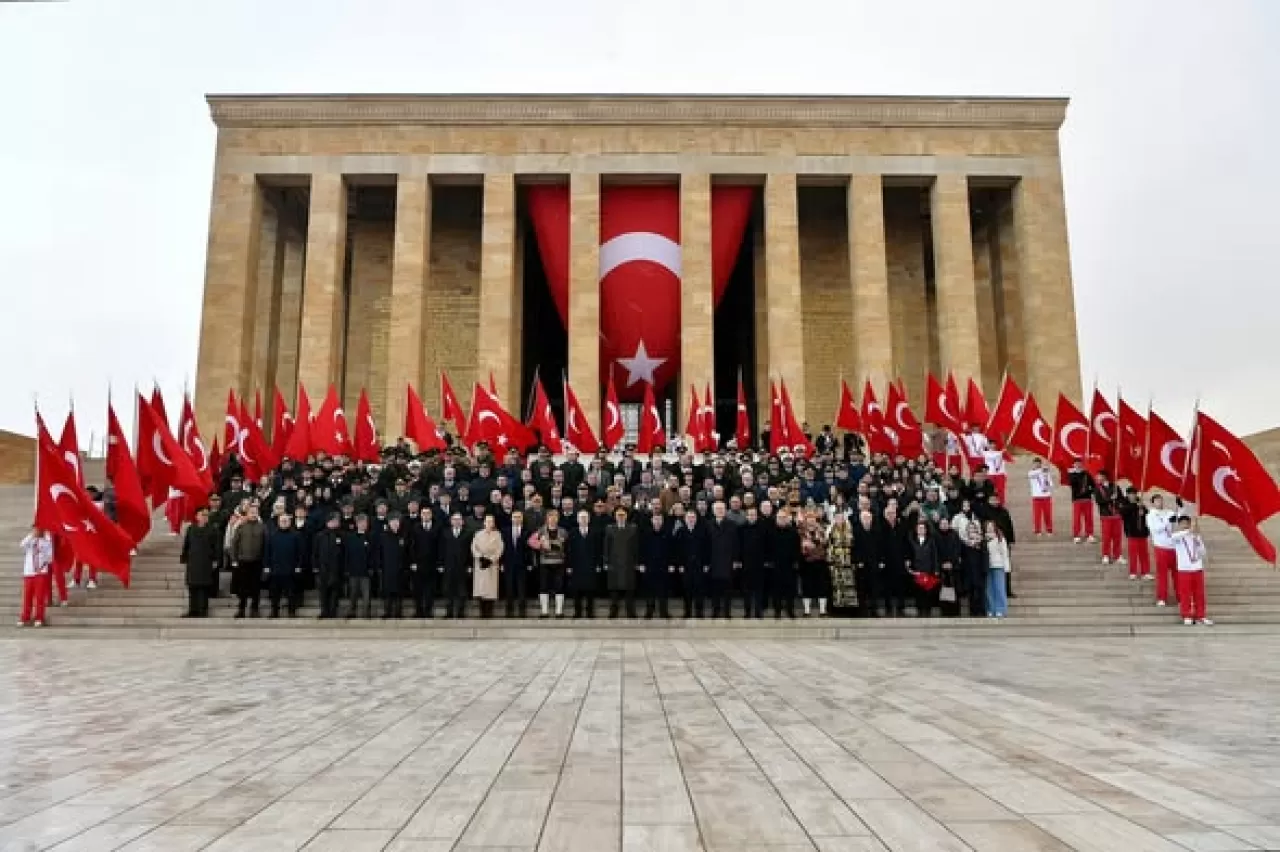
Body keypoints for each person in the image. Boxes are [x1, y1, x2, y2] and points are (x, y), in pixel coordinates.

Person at [179, 508, 219, 618]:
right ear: (197, 516)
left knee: (203, 588)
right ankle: (193, 610)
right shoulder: (191, 529)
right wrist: (184, 557)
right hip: (193, 562)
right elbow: (186, 544)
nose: (205, 517)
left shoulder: (212, 530)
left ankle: (202, 611)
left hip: (206, 562)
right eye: (202, 515)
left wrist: (216, 560)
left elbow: (216, 546)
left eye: (206, 515)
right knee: (192, 587)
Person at [1172, 516, 1212, 626]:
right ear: (1179, 525)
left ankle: (1201, 615)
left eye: (1187, 523)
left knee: (1199, 594)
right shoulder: (1177, 537)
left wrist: (1197, 539)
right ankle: (1187, 615)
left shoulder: (1195, 536)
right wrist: (1188, 531)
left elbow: (1203, 553)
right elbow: (1173, 537)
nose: (1185, 525)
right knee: (1185, 593)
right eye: (1183, 523)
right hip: (1184, 569)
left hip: (1197, 568)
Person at [229, 503, 266, 618]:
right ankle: (241, 609)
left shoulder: (263, 527)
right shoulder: (241, 526)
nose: (253, 514)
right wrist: (234, 559)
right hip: (243, 561)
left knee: (256, 587)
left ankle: (255, 609)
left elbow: (266, 544)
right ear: (247, 514)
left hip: (257, 561)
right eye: (251, 512)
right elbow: (234, 543)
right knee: (242, 587)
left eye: (255, 512)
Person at [603, 506, 640, 618]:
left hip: (629, 562)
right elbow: (606, 546)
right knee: (614, 588)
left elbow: (636, 546)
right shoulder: (609, 528)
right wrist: (606, 561)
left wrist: (637, 562)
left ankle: (631, 611)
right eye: (618, 515)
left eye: (622, 515)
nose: (620, 517)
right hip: (614, 562)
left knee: (629, 588)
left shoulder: (633, 528)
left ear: (626, 516)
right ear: (615, 516)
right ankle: (613, 611)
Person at [263, 512, 302, 618]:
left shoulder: (296, 535)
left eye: (286, 521)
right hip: (275, 569)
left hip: (290, 569)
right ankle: (274, 612)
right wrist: (266, 566)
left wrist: (298, 565)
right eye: (282, 521)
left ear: (290, 522)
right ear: (278, 522)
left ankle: (291, 612)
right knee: (275, 594)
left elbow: (299, 552)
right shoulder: (272, 535)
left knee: (291, 593)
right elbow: (267, 552)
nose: (284, 522)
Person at [707, 501, 741, 618]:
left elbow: (737, 544)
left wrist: (736, 560)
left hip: (728, 561)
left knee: (728, 589)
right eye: (717, 509)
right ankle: (715, 611)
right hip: (714, 561)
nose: (720, 511)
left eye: (722, 509)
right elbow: (705, 545)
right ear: (713, 511)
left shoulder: (732, 524)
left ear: (725, 510)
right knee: (715, 588)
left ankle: (727, 612)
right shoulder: (708, 524)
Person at [567, 509, 601, 618]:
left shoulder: (594, 532)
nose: (583, 519)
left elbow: (598, 550)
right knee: (576, 590)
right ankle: (577, 612)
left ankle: (590, 612)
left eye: (585, 517)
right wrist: (569, 565)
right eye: (581, 517)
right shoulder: (572, 532)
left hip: (590, 565)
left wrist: (598, 564)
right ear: (577, 520)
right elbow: (569, 550)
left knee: (590, 590)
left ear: (589, 519)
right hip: (576, 565)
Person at [674, 509, 709, 618]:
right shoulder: (680, 531)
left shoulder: (702, 531)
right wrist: (679, 564)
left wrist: (706, 564)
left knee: (699, 589)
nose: (691, 519)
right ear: (685, 519)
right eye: (689, 517)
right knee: (687, 590)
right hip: (685, 566)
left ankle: (699, 612)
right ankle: (687, 612)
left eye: (693, 517)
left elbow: (707, 548)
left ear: (696, 519)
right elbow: (677, 550)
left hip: (699, 565)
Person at [534, 508, 568, 619]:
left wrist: (550, 544)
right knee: (543, 586)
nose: (553, 519)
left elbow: (563, 546)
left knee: (559, 586)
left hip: (559, 562)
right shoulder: (541, 530)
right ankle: (544, 611)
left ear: (558, 518)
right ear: (547, 518)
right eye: (550, 516)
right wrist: (540, 544)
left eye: (555, 516)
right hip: (544, 562)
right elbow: (530, 541)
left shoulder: (563, 531)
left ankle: (559, 611)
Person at [439, 511, 472, 618]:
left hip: (462, 566)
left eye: (459, 520)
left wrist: (469, 565)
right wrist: (440, 564)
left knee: (462, 590)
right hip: (448, 566)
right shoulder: (445, 533)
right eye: (454, 519)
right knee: (448, 589)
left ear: (462, 522)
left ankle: (461, 612)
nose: (457, 522)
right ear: (451, 521)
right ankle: (449, 612)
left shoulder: (468, 533)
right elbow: (440, 550)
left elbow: (470, 551)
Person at [312, 513, 345, 619]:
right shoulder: (320, 535)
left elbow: (345, 553)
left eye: (337, 521)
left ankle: (333, 612)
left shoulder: (341, 535)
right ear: (328, 522)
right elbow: (315, 553)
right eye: (334, 521)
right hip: (323, 569)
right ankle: (324, 611)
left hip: (336, 569)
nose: (336, 523)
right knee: (324, 592)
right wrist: (315, 566)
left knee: (335, 592)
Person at [376, 513, 409, 619]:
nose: (395, 524)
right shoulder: (383, 536)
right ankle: (388, 612)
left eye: (397, 522)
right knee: (388, 592)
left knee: (399, 593)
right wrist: (380, 566)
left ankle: (398, 612)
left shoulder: (403, 536)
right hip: (387, 569)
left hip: (400, 569)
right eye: (393, 522)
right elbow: (379, 552)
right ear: (389, 523)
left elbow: (408, 553)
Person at [18, 526, 53, 627]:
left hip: (41, 572)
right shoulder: (30, 539)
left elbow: (50, 558)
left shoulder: (47, 540)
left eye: (39, 529)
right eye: (36, 529)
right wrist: (31, 537)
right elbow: (21, 545)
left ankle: (39, 617)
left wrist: (42, 560)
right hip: (29, 571)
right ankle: (25, 617)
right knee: (27, 596)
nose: (37, 530)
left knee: (40, 596)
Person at [1147, 494, 1178, 607]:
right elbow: (1155, 529)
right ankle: (1162, 597)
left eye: (1160, 500)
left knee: (1177, 574)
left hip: (1174, 546)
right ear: (1153, 503)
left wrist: (1180, 507)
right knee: (1162, 574)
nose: (1159, 502)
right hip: (1161, 546)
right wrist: (1166, 522)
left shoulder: (1169, 512)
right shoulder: (1151, 515)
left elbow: (1180, 519)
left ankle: (1180, 596)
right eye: (1157, 501)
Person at [470, 514, 503, 618]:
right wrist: (480, 557)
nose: (489, 523)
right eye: (487, 521)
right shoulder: (478, 534)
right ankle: (482, 611)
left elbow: (500, 548)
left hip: (491, 564)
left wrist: (491, 559)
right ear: (484, 523)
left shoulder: (497, 534)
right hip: (480, 564)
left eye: (491, 522)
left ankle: (489, 611)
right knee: (481, 588)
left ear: (493, 523)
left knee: (491, 589)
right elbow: (473, 547)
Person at [343, 514, 375, 619]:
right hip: (353, 570)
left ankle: (366, 613)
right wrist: (347, 568)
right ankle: (351, 611)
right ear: (357, 524)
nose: (363, 524)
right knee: (353, 593)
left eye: (365, 523)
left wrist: (371, 567)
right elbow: (347, 554)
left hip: (366, 571)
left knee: (366, 594)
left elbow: (373, 555)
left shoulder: (371, 537)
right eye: (361, 522)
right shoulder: (350, 537)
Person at [502, 510, 532, 618]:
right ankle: (509, 611)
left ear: (522, 518)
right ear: (511, 518)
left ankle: (522, 611)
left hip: (522, 563)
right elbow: (502, 548)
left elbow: (530, 549)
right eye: (514, 517)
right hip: (508, 563)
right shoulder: (505, 531)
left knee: (522, 588)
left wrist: (529, 563)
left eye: (519, 517)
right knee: (509, 587)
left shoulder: (527, 531)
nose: (517, 519)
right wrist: (502, 563)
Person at [770, 508, 800, 618]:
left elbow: (797, 548)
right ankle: (777, 611)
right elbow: (767, 548)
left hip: (790, 565)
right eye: (779, 517)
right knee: (776, 589)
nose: (781, 519)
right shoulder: (771, 531)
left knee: (790, 589)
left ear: (787, 519)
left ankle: (790, 610)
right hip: (775, 565)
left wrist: (796, 561)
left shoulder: (793, 532)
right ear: (776, 519)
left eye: (784, 517)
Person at [410, 507, 440, 618]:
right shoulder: (415, 527)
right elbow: (412, 546)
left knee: (430, 589)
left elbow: (439, 546)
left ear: (431, 515)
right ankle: (418, 610)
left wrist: (439, 563)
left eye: (428, 513)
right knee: (418, 589)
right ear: (420, 515)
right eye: (424, 513)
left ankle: (428, 610)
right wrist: (413, 562)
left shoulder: (437, 527)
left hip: (432, 563)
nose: (426, 515)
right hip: (418, 564)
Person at [851, 509, 880, 618]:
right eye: (865, 518)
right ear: (861, 519)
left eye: (869, 518)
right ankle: (862, 610)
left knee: (874, 588)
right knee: (861, 589)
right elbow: (854, 548)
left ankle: (874, 610)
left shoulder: (876, 531)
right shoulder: (856, 531)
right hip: (861, 565)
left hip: (873, 564)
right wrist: (858, 560)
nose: (867, 520)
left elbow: (880, 547)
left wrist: (880, 560)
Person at [1119, 487, 1152, 581]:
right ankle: (1133, 572)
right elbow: (1123, 512)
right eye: (1131, 494)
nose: (1133, 495)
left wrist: (1143, 511)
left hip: (1142, 532)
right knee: (1133, 554)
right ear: (1128, 494)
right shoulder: (1124, 502)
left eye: (1134, 494)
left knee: (1144, 554)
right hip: (1131, 533)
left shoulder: (1140, 502)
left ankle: (1145, 572)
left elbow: (1147, 513)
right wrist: (1135, 505)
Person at [908, 520, 940, 617]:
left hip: (928, 569)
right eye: (919, 528)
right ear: (916, 530)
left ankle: (927, 609)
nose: (921, 530)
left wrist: (936, 568)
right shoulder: (912, 540)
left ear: (926, 530)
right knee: (918, 591)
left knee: (928, 591)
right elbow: (909, 554)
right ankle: (919, 609)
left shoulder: (931, 540)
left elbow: (934, 555)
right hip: (917, 570)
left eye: (923, 528)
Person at [826, 510, 856, 612]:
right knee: (837, 586)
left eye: (841, 518)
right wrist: (830, 561)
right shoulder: (831, 531)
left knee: (849, 585)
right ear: (834, 519)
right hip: (836, 561)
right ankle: (838, 608)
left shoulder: (849, 530)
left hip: (848, 561)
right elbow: (829, 547)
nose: (839, 520)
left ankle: (849, 608)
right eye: (837, 518)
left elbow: (853, 545)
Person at [1094, 472, 1124, 565]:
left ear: (1104, 476)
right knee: (1106, 537)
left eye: (1099, 476)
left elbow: (1122, 499)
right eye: (1097, 476)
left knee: (1117, 536)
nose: (1097, 478)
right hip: (1105, 515)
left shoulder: (1115, 487)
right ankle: (1106, 555)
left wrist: (1118, 500)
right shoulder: (1097, 488)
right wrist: (1111, 499)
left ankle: (1117, 555)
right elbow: (1099, 501)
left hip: (1116, 515)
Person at [984, 520, 1010, 619]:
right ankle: (991, 609)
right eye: (988, 526)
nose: (989, 528)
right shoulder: (983, 538)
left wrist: (1006, 567)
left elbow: (1005, 553)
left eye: (991, 526)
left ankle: (1000, 609)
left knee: (999, 589)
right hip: (987, 566)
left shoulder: (1000, 538)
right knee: (989, 590)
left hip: (998, 566)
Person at [1067, 460, 1096, 543]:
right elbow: (1072, 483)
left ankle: (1089, 534)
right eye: (1076, 464)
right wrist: (1076, 472)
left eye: (1079, 463)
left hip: (1087, 499)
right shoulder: (1071, 474)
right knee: (1077, 518)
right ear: (1073, 465)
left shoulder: (1087, 474)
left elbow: (1093, 486)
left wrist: (1090, 492)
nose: (1078, 465)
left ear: (1082, 464)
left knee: (1089, 518)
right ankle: (1076, 535)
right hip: (1077, 499)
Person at [1027, 457, 1054, 536]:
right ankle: (1037, 530)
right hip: (1036, 497)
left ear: (1040, 464)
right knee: (1037, 515)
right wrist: (1043, 470)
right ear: (1033, 464)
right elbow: (1032, 475)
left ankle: (1049, 530)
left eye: (1038, 463)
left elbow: (1051, 484)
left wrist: (1047, 484)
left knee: (1048, 514)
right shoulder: (1031, 472)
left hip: (1046, 496)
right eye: (1035, 463)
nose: (1037, 465)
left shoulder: (1046, 472)